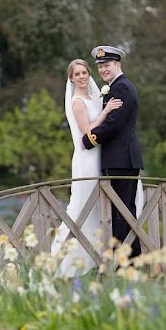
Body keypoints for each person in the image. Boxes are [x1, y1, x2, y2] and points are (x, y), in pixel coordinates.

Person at [50, 59, 122, 276]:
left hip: (101, 157)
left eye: (84, 73)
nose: (82, 77)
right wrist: (106, 110)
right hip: (86, 160)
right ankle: (60, 262)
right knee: (81, 208)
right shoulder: (77, 102)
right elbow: (87, 132)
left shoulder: (94, 97)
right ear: (71, 78)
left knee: (99, 211)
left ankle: (95, 261)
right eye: (77, 74)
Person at [81, 45, 145, 258]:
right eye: (100, 66)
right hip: (119, 159)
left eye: (107, 65)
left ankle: (125, 263)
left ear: (118, 64)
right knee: (123, 212)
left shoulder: (122, 88)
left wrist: (89, 140)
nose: (103, 70)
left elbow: (113, 124)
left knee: (122, 214)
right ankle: (131, 261)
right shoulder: (116, 87)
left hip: (121, 159)